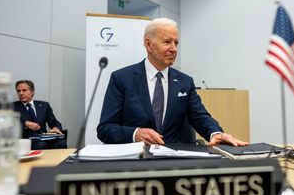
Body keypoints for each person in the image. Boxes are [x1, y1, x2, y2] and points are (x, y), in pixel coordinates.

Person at [97, 18, 247, 146]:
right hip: (136, 163)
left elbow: (200, 116)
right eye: (167, 42)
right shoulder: (122, 78)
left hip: (176, 162)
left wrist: (215, 133)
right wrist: (135, 133)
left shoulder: (185, 82)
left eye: (176, 43)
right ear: (148, 44)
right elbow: (105, 129)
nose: (174, 49)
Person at [13, 80, 67, 150]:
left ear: (32, 92)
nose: (21, 93)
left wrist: (55, 128)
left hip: (44, 137)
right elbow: (9, 124)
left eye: (24, 90)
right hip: (26, 140)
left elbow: (54, 122)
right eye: (18, 91)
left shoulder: (44, 105)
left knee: (61, 143)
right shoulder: (12, 107)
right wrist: (25, 123)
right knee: (41, 145)